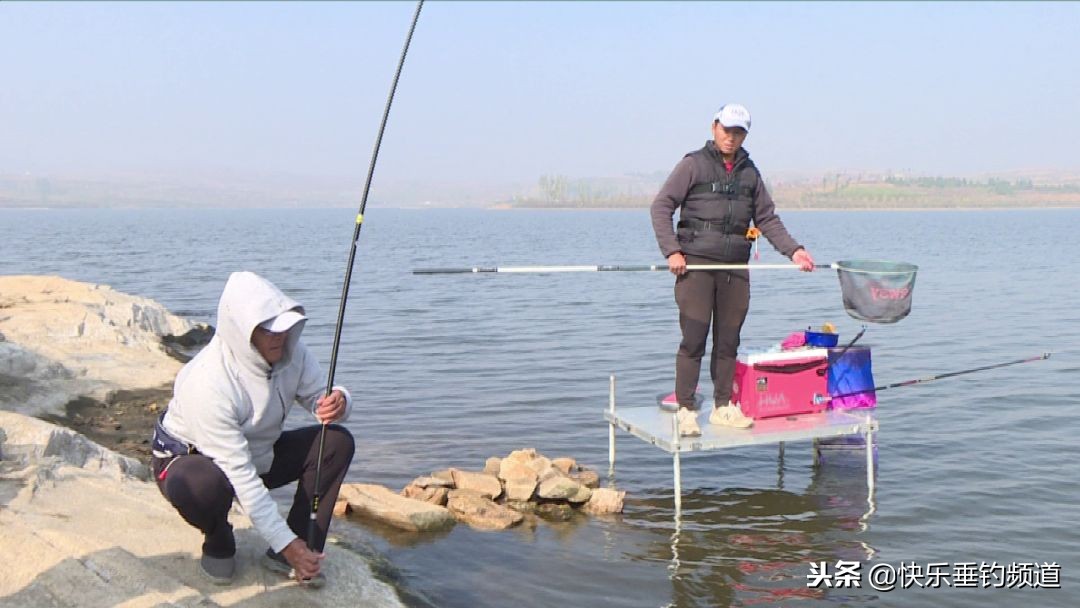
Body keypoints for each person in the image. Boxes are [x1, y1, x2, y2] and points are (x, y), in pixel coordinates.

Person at [151, 271, 355, 587]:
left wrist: (337, 402)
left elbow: (319, 395)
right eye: (267, 330)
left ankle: (302, 549)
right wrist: (286, 543)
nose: (278, 337)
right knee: (202, 483)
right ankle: (218, 537)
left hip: (259, 452)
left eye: (283, 328)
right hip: (192, 460)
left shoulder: (293, 353)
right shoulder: (208, 382)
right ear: (241, 332)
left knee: (337, 443)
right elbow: (239, 475)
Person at [650, 103, 815, 436]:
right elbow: (661, 206)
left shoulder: (749, 173)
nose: (731, 137)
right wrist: (672, 251)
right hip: (694, 266)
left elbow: (767, 218)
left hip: (734, 267)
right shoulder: (692, 165)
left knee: (728, 341)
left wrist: (794, 250)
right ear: (714, 127)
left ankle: (723, 407)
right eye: (726, 130)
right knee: (694, 339)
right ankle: (685, 409)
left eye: (738, 132)